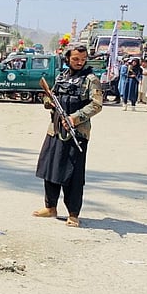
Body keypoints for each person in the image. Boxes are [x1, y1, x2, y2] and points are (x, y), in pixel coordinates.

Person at [32, 43, 102, 228]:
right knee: (50, 168)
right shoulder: (62, 76)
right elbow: (50, 96)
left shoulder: (91, 80)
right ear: (68, 59)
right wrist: (48, 100)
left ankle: (73, 213)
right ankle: (50, 207)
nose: (79, 62)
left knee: (73, 175)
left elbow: (96, 105)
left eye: (83, 59)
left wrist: (74, 118)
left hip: (76, 133)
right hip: (55, 129)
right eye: (75, 59)